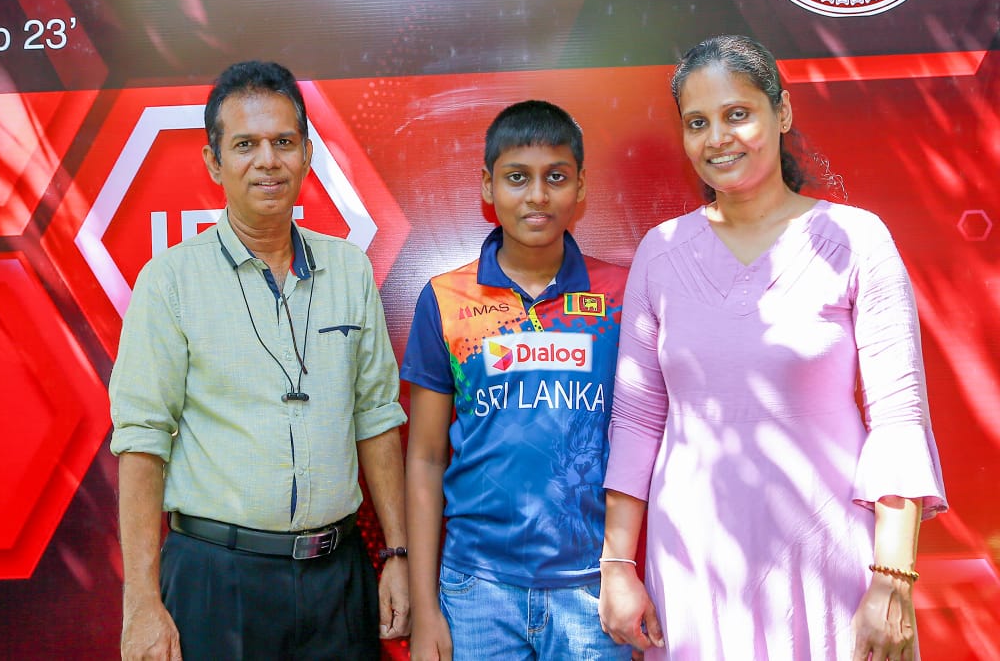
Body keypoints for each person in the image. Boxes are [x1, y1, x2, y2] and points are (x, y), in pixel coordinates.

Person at [597, 35, 947, 660]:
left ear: (781, 112)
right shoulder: (662, 252)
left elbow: (898, 421)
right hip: (695, 567)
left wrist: (891, 580)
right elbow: (636, 421)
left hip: (834, 565)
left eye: (738, 114)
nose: (718, 138)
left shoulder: (857, 240)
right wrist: (618, 564)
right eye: (697, 123)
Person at [109, 60, 409, 661]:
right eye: (245, 144)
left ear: (306, 154)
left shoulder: (348, 270)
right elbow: (143, 442)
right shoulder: (170, 281)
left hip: (338, 580)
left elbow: (376, 417)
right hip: (218, 583)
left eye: (283, 142)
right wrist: (141, 602)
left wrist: (397, 554)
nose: (267, 160)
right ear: (213, 162)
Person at [404, 100, 632, 661]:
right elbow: (426, 458)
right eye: (517, 178)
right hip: (475, 588)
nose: (537, 195)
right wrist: (426, 606)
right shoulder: (444, 299)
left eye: (555, 177)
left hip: (591, 588)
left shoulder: (621, 296)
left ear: (579, 188)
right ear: (488, 185)